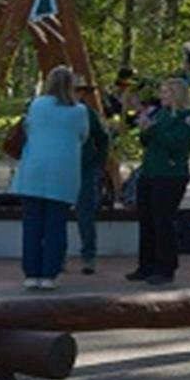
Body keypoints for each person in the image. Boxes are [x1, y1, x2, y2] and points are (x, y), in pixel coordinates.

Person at [11, 65, 90, 290]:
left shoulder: (36, 105)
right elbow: (83, 137)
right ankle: (49, 274)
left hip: (33, 172)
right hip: (63, 174)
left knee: (32, 225)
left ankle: (31, 273)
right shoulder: (79, 111)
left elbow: (29, 128)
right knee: (56, 225)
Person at [131, 76, 190, 287]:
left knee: (163, 221)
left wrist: (153, 129)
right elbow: (147, 140)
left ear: (176, 95)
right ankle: (146, 265)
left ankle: (166, 267)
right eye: (162, 92)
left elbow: (177, 143)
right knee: (146, 220)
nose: (162, 96)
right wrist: (144, 128)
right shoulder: (160, 114)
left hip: (171, 175)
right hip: (150, 172)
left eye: (166, 93)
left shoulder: (188, 117)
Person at [74, 81, 111, 275]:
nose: (77, 94)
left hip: (85, 168)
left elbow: (103, 139)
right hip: (61, 169)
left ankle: (88, 256)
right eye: (74, 89)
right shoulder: (57, 111)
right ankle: (56, 255)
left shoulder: (89, 113)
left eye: (80, 90)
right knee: (57, 213)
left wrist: (99, 163)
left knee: (85, 213)